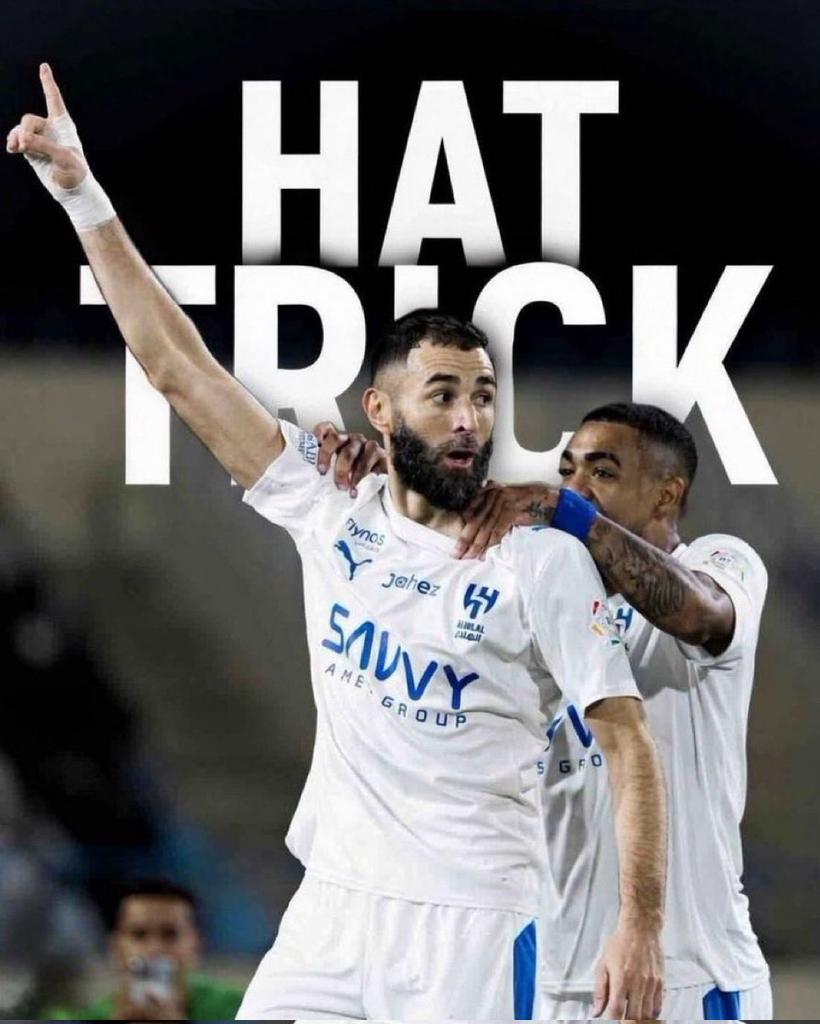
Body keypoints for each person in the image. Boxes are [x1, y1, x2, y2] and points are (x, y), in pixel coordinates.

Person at [8, 67, 666, 1020]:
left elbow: (627, 741)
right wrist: (82, 196)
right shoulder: (331, 506)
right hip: (334, 910)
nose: (470, 417)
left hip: (478, 921)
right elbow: (178, 368)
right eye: (443, 394)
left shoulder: (539, 562)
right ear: (380, 412)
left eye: (484, 396)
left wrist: (638, 926)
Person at [454, 402, 772, 1021]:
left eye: (601, 472)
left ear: (666, 494)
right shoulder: (543, 602)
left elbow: (703, 613)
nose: (575, 488)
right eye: (567, 472)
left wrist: (563, 512)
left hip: (682, 975)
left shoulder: (719, 564)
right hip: (553, 979)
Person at [50, 879, 244, 1021]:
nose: (154, 949)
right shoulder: (77, 1016)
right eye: (139, 934)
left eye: (170, 934)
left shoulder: (241, 1008)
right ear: (116, 947)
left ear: (196, 944)